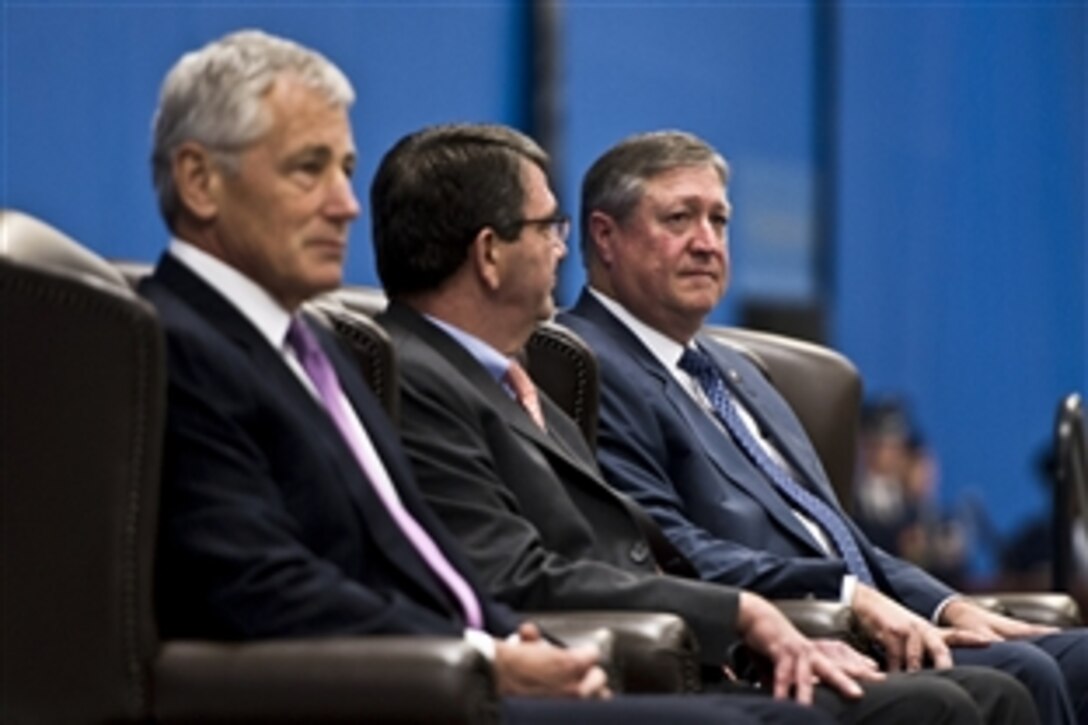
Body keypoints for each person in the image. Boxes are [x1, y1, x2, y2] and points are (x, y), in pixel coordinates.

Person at [139, 30, 820, 725]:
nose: (344, 203)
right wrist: (485, 655)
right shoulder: (172, 346)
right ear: (199, 181)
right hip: (387, 690)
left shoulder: (310, 345)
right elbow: (261, 584)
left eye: (345, 169)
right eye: (308, 170)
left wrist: (510, 636)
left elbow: (418, 556)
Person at [369, 122, 1037, 725]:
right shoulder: (424, 377)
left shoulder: (524, 378)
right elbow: (522, 573)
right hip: (598, 659)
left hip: (680, 642)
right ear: (490, 253)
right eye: (550, 229)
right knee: (942, 702)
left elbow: (643, 541)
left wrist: (915, 607)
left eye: (719, 219)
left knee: (994, 685)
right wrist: (742, 617)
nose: (558, 250)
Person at [558, 129, 1088, 724]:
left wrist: (943, 607)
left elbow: (840, 537)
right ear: (605, 236)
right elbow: (667, 548)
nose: (707, 243)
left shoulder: (736, 371)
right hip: (781, 639)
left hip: (872, 620)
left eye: (720, 221)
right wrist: (845, 598)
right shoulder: (585, 368)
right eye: (680, 218)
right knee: (1019, 678)